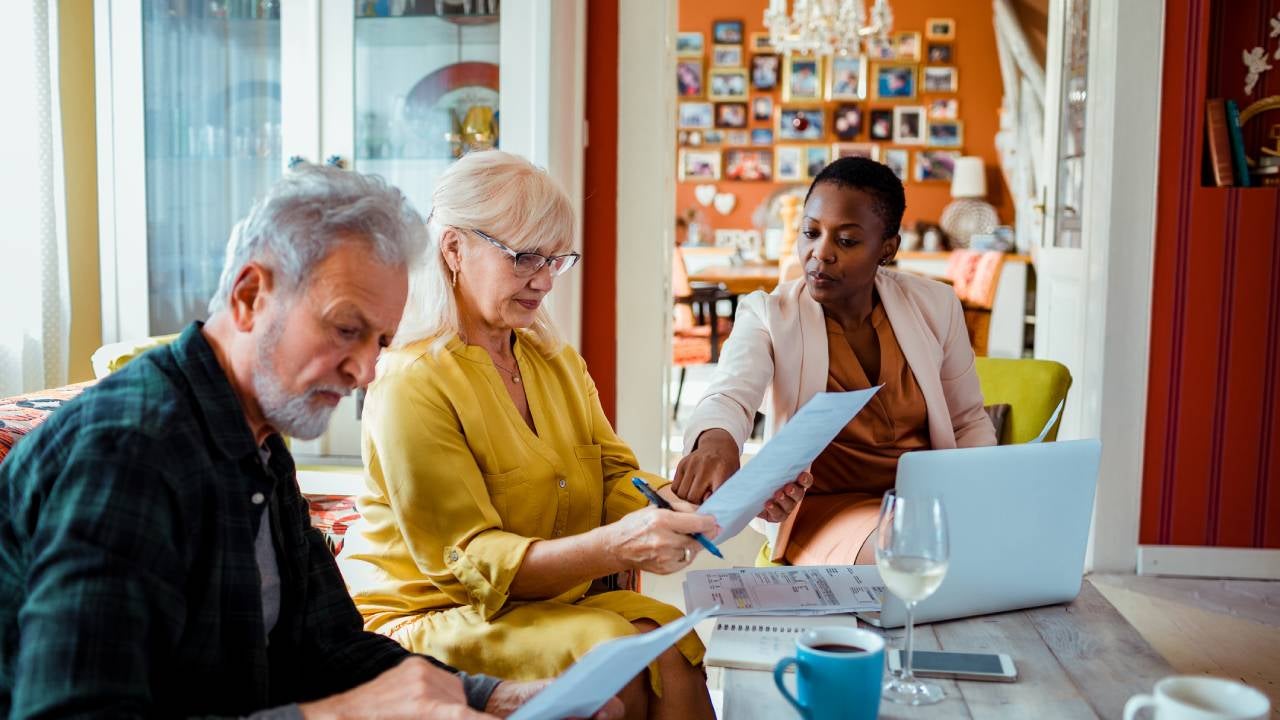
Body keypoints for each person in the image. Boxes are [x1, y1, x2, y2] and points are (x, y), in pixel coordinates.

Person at [0, 165, 618, 719]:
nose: (365, 373)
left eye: (379, 342)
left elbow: (328, 643)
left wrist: (485, 694)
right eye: (345, 329)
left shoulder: (259, 441)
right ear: (249, 297)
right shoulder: (128, 456)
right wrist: (345, 715)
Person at [337, 150, 803, 720]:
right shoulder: (413, 382)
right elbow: (470, 562)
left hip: (548, 604)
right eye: (525, 258)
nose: (543, 281)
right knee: (620, 659)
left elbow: (615, 477)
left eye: (557, 260)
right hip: (439, 616)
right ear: (454, 248)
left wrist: (719, 501)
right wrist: (616, 545)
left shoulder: (550, 359)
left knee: (676, 643)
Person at [672, 157, 995, 566]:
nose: (819, 254)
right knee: (911, 554)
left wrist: (981, 493)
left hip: (926, 503)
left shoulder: (935, 305)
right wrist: (715, 442)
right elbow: (730, 395)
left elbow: (968, 420)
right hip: (825, 510)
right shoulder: (769, 315)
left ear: (887, 248)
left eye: (846, 241)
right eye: (810, 232)